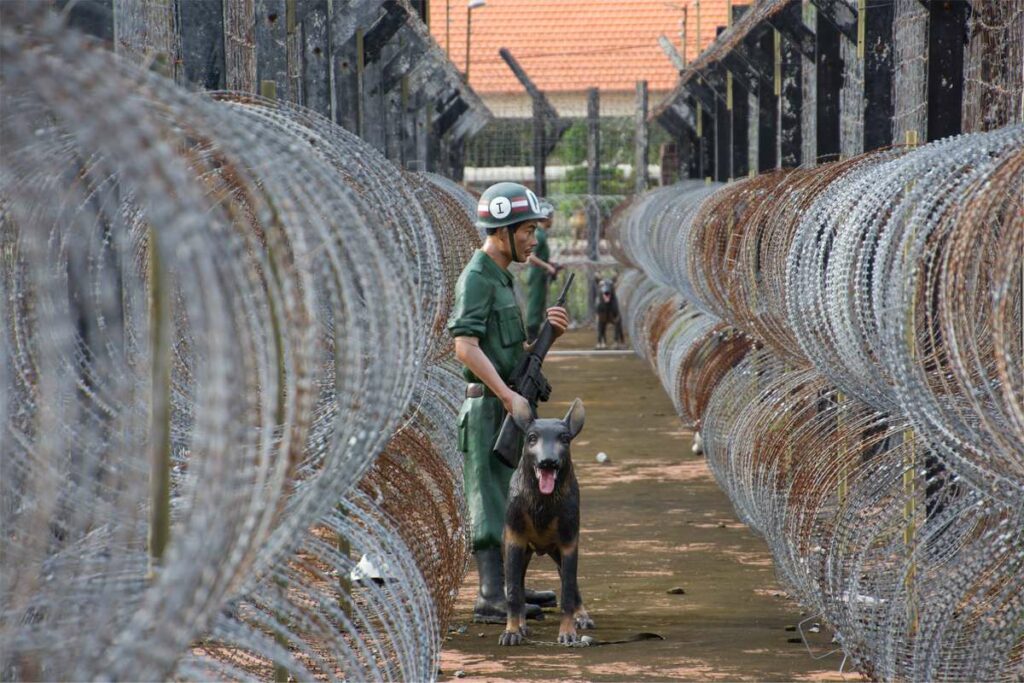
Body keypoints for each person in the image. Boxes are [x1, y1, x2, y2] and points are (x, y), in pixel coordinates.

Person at [448, 182, 570, 624]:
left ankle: (509, 587)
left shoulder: (502, 278)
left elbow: (511, 352)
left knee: (512, 495)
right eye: (527, 230)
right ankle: (490, 595)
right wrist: (506, 394)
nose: (533, 240)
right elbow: (465, 345)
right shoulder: (478, 277)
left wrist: (548, 337)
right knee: (490, 496)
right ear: (502, 232)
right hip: (488, 410)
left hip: (508, 405)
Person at [525, 200, 561, 343]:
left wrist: (550, 264)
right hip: (536, 275)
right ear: (546, 218)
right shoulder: (538, 235)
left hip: (540, 275)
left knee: (539, 304)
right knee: (535, 305)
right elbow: (531, 257)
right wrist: (547, 267)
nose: (552, 220)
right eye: (551, 217)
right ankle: (531, 337)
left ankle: (534, 335)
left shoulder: (541, 234)